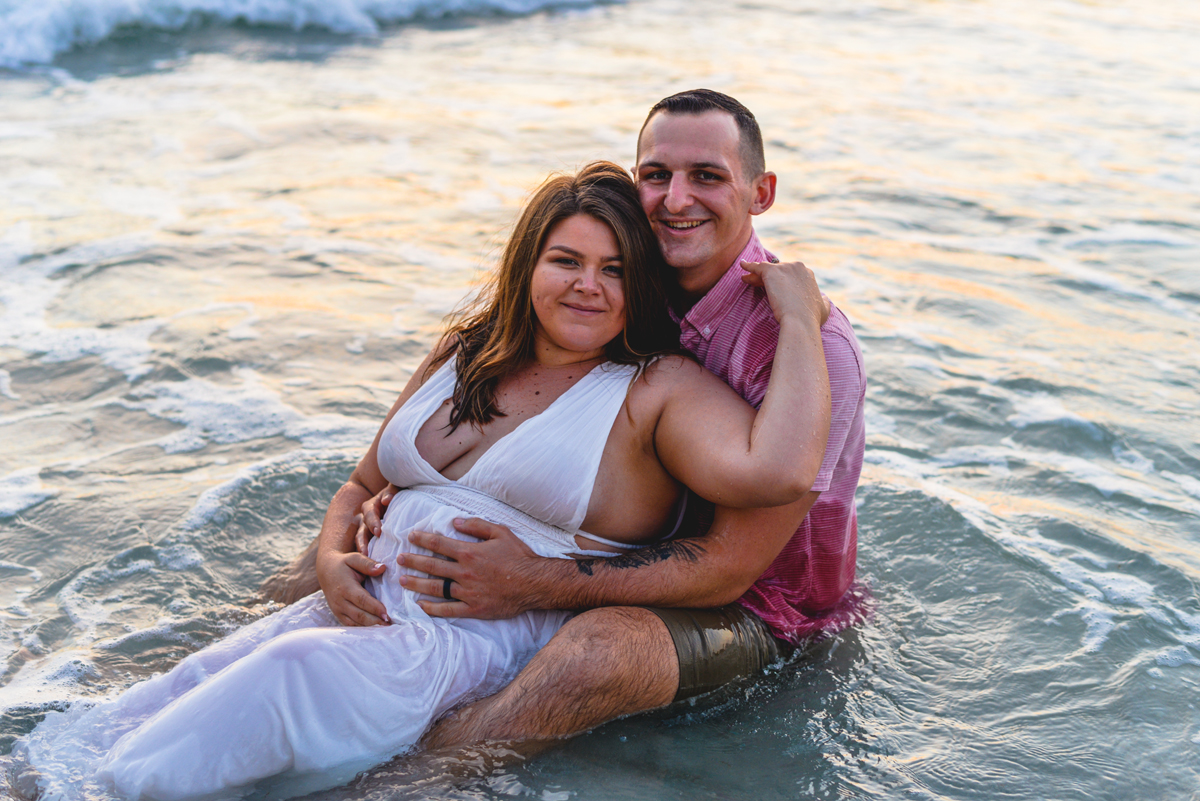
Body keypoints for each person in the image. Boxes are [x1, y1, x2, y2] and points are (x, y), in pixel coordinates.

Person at [17, 161, 831, 801]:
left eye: (615, 270)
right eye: (567, 260)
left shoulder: (655, 389)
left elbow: (782, 469)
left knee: (261, 695)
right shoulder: (466, 353)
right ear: (529, 264)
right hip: (350, 610)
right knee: (99, 729)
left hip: (464, 641)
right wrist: (335, 559)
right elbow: (359, 481)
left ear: (639, 287)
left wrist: (799, 319)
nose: (588, 284)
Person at [352, 89, 869, 750]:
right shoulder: (626, 285)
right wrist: (414, 496)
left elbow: (730, 568)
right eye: (656, 175)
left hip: (755, 611)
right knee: (329, 560)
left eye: (707, 176)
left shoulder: (810, 345)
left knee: (599, 651)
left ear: (760, 192)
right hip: (611, 553)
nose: (675, 199)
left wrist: (535, 584)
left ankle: (427, 778)